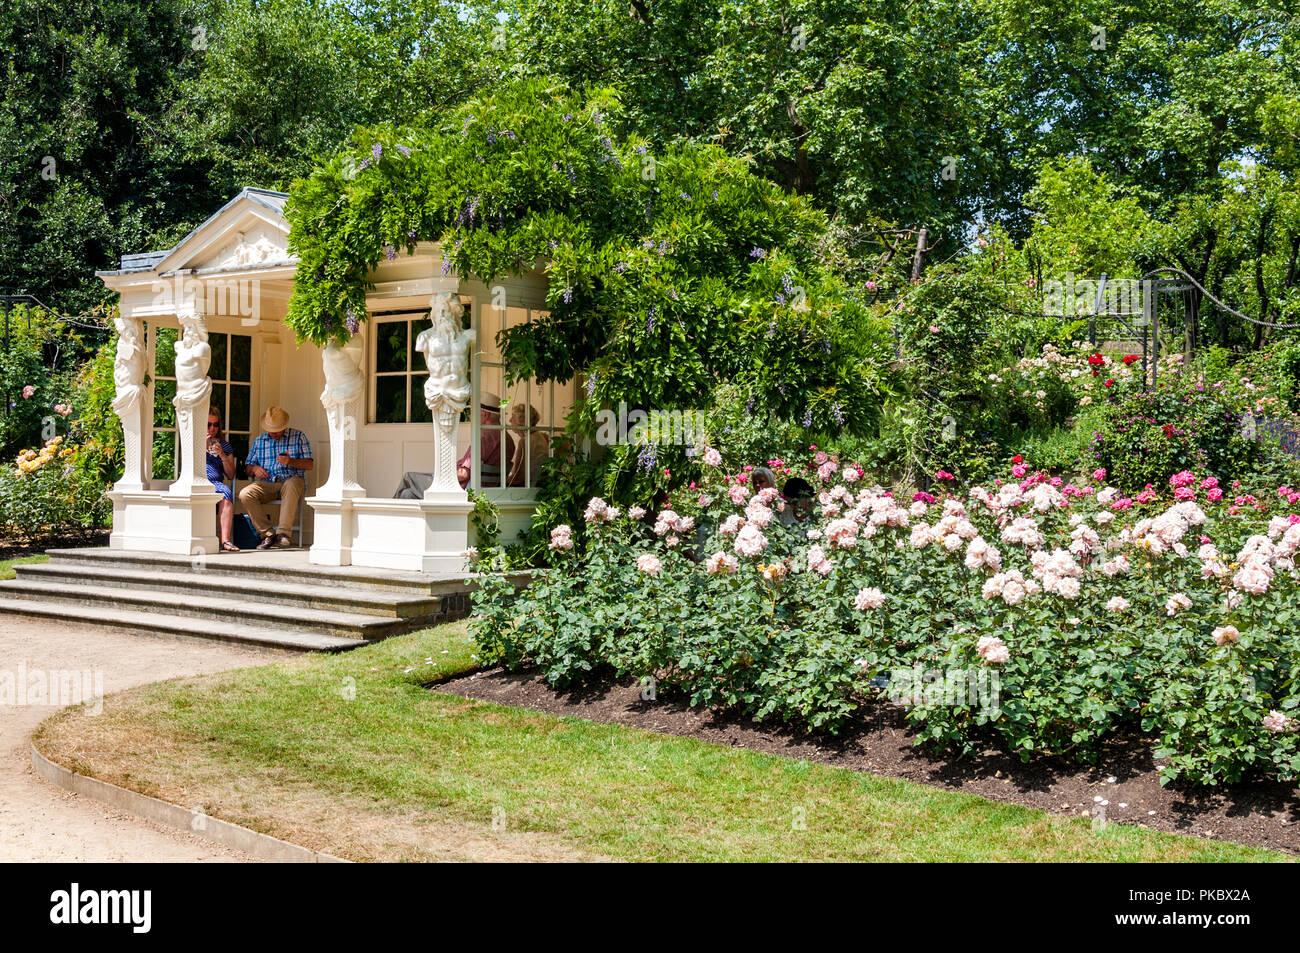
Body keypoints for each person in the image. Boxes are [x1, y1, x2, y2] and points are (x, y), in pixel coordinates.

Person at [393, 392, 515, 498]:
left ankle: (387, 518)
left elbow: (463, 474)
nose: (470, 416)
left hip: (460, 489)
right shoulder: (508, 438)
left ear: (485, 414)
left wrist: (441, 475)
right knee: (407, 494)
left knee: (408, 477)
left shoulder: (484, 436)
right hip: (488, 491)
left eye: (471, 411)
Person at [239, 406, 313, 549]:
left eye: (277, 430)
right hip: (267, 484)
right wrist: (254, 469)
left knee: (291, 484)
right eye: (270, 430)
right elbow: (247, 469)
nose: (273, 433)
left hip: (292, 481)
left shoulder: (298, 436)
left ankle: (283, 535)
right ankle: (268, 535)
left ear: (284, 426)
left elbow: (309, 464)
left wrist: (290, 461)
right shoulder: (259, 441)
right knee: (245, 494)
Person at [206, 408, 238, 552]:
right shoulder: (193, 443)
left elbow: (231, 475)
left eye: (215, 424)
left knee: (226, 491)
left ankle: (225, 540)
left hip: (215, 483)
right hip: (196, 482)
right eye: (208, 424)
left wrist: (222, 455)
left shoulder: (224, 445)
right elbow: (185, 462)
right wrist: (202, 445)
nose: (212, 428)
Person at [506, 402, 550, 487]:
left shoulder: (524, 442)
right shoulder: (541, 436)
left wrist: (502, 482)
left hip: (529, 489)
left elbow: (518, 477)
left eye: (513, 417)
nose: (510, 420)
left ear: (522, 422)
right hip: (540, 485)